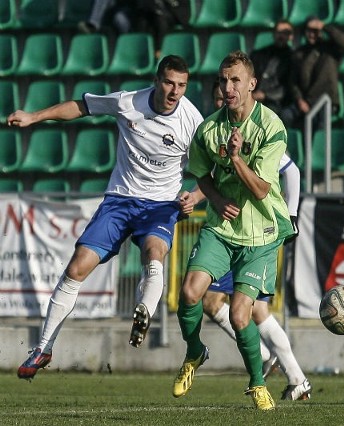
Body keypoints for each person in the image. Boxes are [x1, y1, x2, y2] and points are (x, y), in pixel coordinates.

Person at [8, 55, 204, 380]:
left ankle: (144, 310)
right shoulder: (128, 103)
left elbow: (210, 170)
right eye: (169, 82)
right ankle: (43, 348)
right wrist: (34, 117)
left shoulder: (192, 121)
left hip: (160, 205)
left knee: (154, 252)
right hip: (120, 201)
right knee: (76, 267)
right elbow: (80, 106)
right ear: (157, 80)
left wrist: (195, 196)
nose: (174, 91)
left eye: (181, 85)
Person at [172, 51, 294, 411]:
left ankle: (257, 384)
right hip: (222, 229)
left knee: (241, 314)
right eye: (224, 80)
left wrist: (238, 158)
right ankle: (195, 353)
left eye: (236, 80)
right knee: (189, 293)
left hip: (260, 234)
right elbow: (200, 175)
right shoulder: (209, 129)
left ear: (252, 84)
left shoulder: (272, 127)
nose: (228, 87)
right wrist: (216, 198)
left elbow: (260, 190)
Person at [200, 82, 311, 401]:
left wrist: (290, 215)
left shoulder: (256, 133)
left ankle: (294, 375)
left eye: (229, 97)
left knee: (256, 310)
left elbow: (292, 171)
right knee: (211, 302)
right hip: (228, 233)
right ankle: (268, 358)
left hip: (260, 231)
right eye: (219, 98)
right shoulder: (213, 133)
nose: (226, 101)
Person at [281, 16, 344, 128]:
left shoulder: (331, 49)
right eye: (309, 31)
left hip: (326, 101)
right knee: (284, 116)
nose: (312, 34)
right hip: (305, 101)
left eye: (315, 31)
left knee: (318, 124)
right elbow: (292, 81)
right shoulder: (299, 53)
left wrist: (324, 26)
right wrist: (299, 100)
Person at [249, 19, 296, 117]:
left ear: (291, 36)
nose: (281, 36)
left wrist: (265, 95)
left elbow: (289, 87)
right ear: (273, 34)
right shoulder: (258, 55)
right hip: (254, 98)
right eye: (278, 32)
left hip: (279, 102)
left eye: (285, 33)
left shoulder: (294, 58)